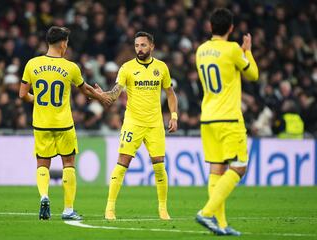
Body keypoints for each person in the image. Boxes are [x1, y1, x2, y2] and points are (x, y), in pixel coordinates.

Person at [19, 26, 111, 221]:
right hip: (64, 124)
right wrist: (101, 97)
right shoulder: (70, 67)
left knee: (42, 163)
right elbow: (85, 89)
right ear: (62, 43)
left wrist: (39, 101)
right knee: (68, 164)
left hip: (41, 123)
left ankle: (44, 196)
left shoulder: (32, 64)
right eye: (67, 42)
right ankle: (68, 210)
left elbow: (22, 95)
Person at [99, 31, 178, 220]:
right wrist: (103, 95)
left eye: (143, 45)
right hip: (133, 124)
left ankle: (163, 209)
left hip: (154, 125)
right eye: (136, 45)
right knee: (122, 164)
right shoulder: (126, 68)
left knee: (159, 167)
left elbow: (170, 93)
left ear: (152, 46)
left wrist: (174, 116)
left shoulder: (162, 68)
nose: (139, 49)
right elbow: (115, 93)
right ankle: (110, 208)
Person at [195, 8, 258, 235]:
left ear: (210, 27)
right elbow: (253, 75)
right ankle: (206, 213)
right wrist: (247, 52)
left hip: (207, 118)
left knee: (216, 169)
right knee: (239, 166)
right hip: (229, 118)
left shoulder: (201, 51)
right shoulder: (232, 49)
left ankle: (220, 224)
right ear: (231, 28)